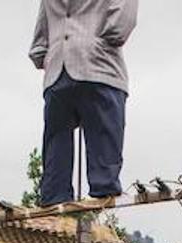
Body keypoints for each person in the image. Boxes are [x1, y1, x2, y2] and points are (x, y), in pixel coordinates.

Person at [28, 0, 139, 207]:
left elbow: (38, 45)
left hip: (58, 73)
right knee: (104, 127)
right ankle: (103, 185)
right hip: (98, 66)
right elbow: (122, 23)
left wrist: (52, 54)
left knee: (56, 138)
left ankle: (55, 193)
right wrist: (96, 43)